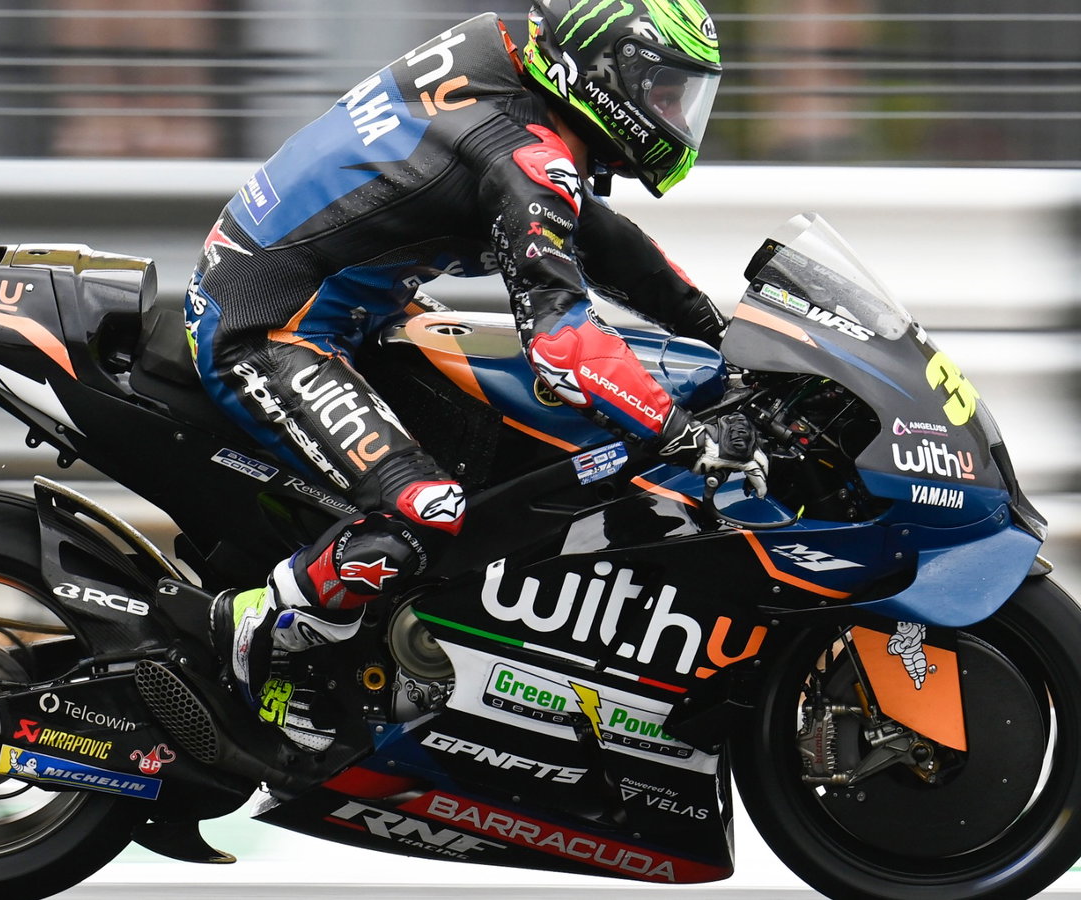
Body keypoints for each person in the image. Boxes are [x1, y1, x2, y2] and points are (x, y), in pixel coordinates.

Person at [189, 1, 767, 749]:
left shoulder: (511, 66)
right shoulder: (521, 152)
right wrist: (682, 431)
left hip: (348, 306)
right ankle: (250, 635)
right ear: (605, 72)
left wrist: (725, 339)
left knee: (493, 450)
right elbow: (561, 343)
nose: (675, 117)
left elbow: (604, 241)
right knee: (428, 509)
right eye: (664, 93)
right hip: (270, 329)